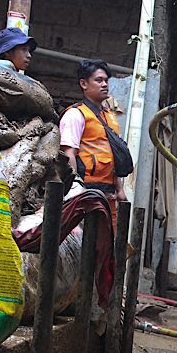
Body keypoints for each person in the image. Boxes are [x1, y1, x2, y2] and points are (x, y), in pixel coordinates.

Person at [59, 59, 128, 228]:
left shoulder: (110, 117)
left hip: (108, 195)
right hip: (86, 194)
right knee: (86, 246)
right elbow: (69, 154)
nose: (104, 84)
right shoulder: (76, 114)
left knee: (107, 248)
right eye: (99, 80)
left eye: (106, 80)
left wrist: (119, 189)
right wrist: (75, 187)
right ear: (84, 83)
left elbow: (113, 155)